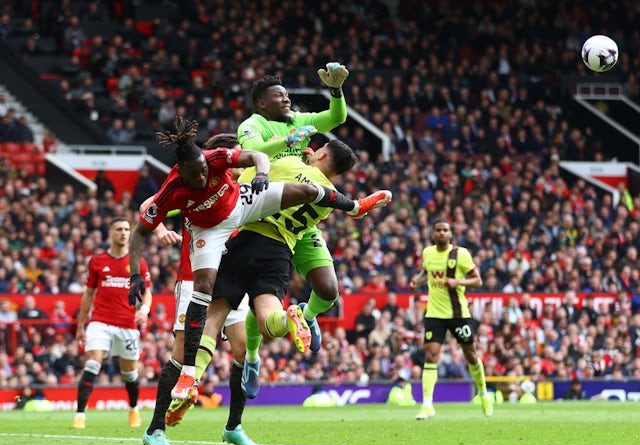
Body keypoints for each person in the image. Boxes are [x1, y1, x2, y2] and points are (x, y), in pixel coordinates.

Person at [128, 116, 390, 404]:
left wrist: (271, 165)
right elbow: (286, 172)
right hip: (274, 247)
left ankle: (194, 377)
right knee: (269, 319)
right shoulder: (179, 186)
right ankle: (292, 318)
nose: (202, 176)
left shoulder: (224, 162)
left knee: (212, 314)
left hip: (245, 230)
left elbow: (257, 156)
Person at [142, 134, 258, 445]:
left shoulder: (238, 192)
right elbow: (148, 205)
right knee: (181, 355)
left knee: (242, 352)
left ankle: (234, 426)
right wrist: (163, 229)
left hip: (232, 282)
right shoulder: (191, 188)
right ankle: (155, 429)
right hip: (194, 278)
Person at [237, 63, 350, 354]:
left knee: (328, 290)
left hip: (299, 220)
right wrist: (286, 142)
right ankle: (252, 357)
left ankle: (306, 317)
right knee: (264, 294)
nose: (287, 99)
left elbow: (336, 118)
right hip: (265, 215)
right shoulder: (252, 125)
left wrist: (336, 91)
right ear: (262, 102)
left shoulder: (297, 119)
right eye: (279, 95)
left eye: (287, 94)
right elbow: (254, 153)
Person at [72, 217, 152, 429]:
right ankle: (80, 415)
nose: (124, 233)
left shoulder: (138, 262)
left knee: (130, 374)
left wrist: (144, 309)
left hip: (127, 324)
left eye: (127, 229)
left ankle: (133, 409)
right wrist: (81, 325)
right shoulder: (97, 261)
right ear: (111, 233)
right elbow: (88, 295)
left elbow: (148, 292)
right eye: (119, 229)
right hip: (100, 322)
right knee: (92, 363)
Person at [410, 217, 493, 419]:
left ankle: (483, 394)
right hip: (435, 314)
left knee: (471, 355)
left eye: (445, 230)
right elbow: (426, 272)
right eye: (438, 230)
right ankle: (428, 405)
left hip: (458, 314)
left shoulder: (461, 254)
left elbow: (478, 280)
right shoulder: (428, 253)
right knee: (431, 356)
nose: (441, 233)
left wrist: (457, 281)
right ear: (433, 233)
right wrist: (417, 280)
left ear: (450, 234)